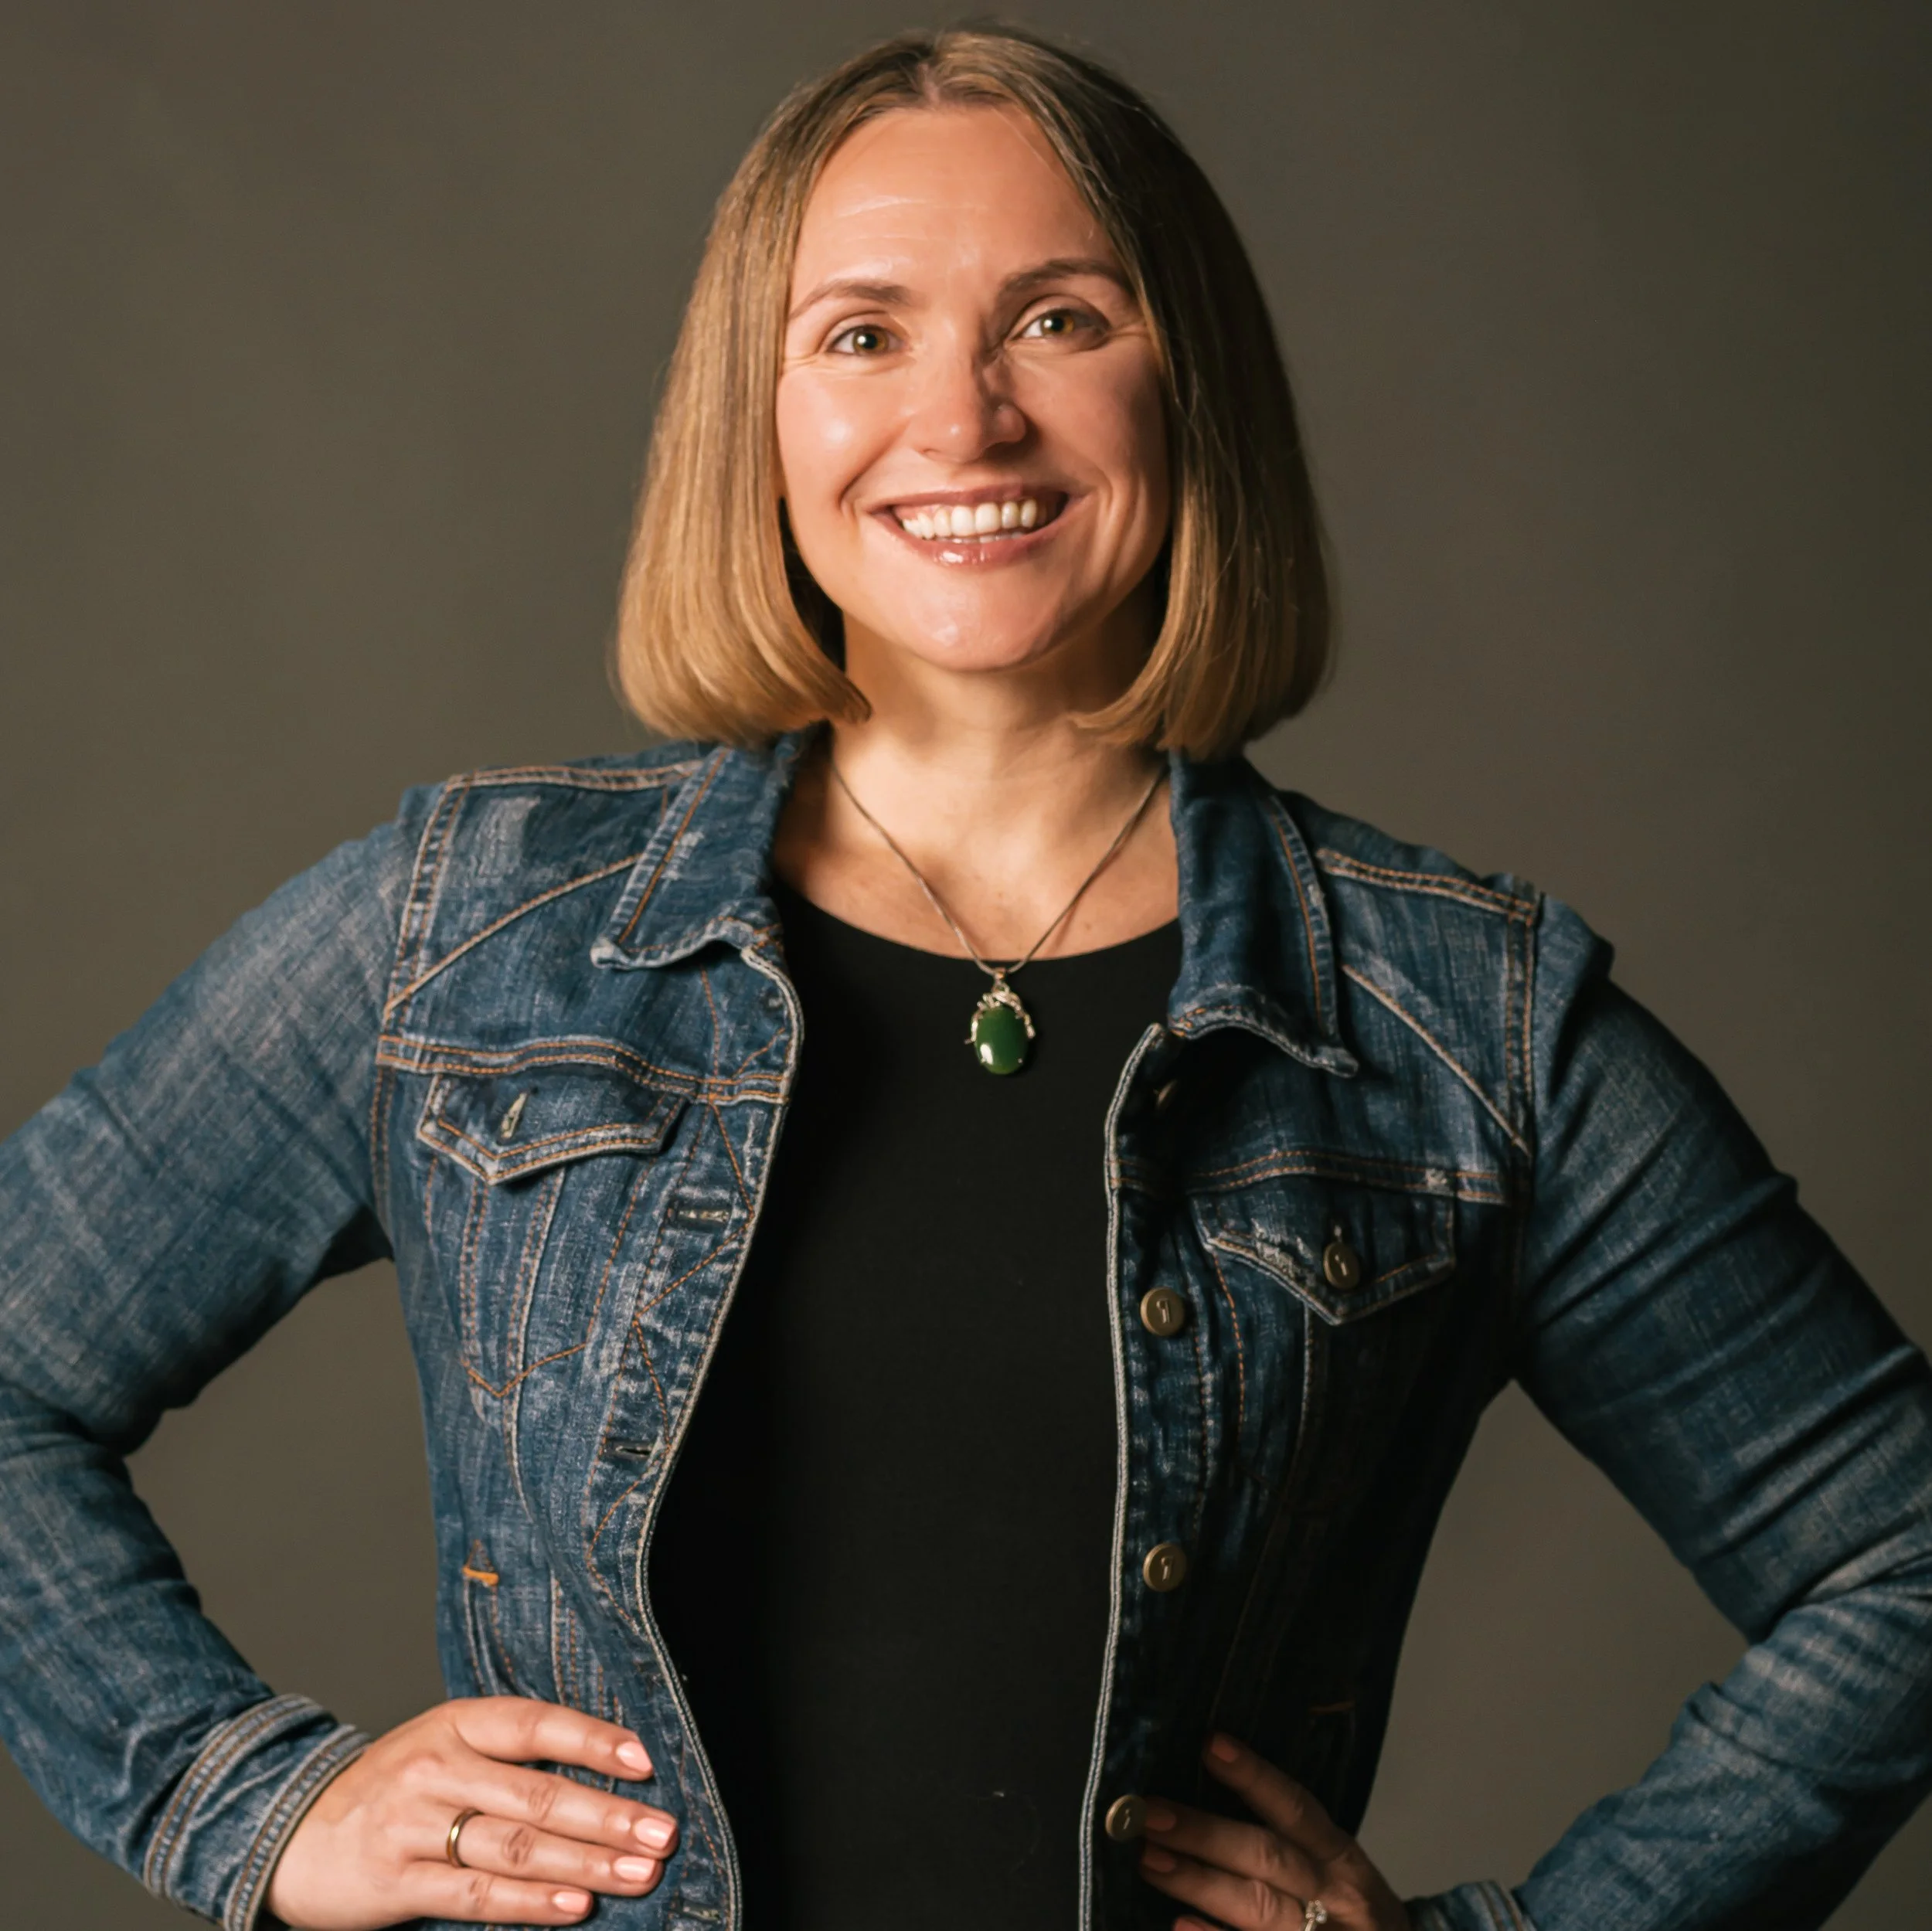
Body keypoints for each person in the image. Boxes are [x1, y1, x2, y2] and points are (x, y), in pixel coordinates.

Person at [0, 23, 1926, 1931]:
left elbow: (1896, 1554)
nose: (964, 420)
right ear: (753, 415)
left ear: (1193, 385)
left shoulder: (1450, 1020)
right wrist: (242, 1797)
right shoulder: (476, 929)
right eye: (859, 334)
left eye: (1058, 321)